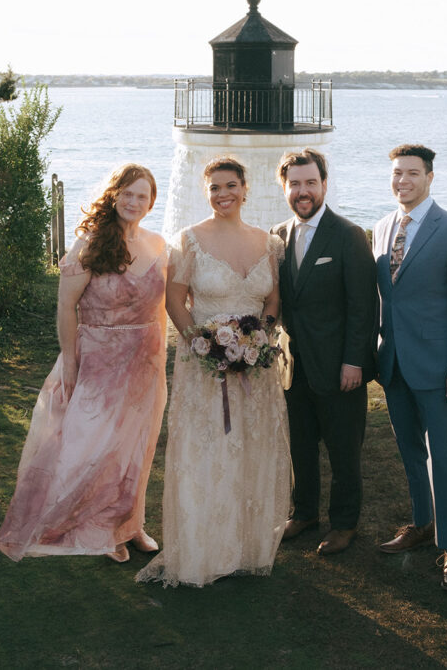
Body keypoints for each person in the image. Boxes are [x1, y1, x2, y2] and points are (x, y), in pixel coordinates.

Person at [0, 164, 168, 564]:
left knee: (137, 448)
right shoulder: (89, 244)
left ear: (151, 202)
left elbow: (158, 305)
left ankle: (132, 524)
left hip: (145, 363)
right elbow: (66, 306)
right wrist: (70, 362)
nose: (134, 202)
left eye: (142, 196)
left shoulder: (157, 244)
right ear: (114, 194)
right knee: (99, 448)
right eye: (127, 193)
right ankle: (104, 531)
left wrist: (160, 358)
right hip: (98, 361)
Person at [136, 157, 291, 587]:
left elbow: (272, 300)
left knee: (251, 447)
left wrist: (260, 336)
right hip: (205, 368)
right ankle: (205, 549)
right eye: (214, 188)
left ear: (245, 188)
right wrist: (205, 345)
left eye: (230, 186)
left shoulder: (268, 242)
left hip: (256, 369)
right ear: (206, 193)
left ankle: (246, 546)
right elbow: (174, 303)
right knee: (209, 450)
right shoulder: (188, 241)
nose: (222, 194)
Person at [372, 144, 447, 591]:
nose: (403, 181)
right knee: (409, 453)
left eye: (412, 174)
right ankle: (421, 524)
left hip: (439, 369)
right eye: (397, 173)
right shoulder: (381, 229)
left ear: (430, 177)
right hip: (394, 365)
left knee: (443, 459)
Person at [271, 148, 378, 556]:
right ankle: (305, 513)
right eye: (295, 184)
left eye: (310, 183)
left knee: (344, 450)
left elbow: (363, 306)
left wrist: (355, 361)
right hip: (292, 367)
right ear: (284, 187)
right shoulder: (277, 236)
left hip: (339, 367)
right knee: (300, 446)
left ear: (324, 185)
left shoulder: (348, 235)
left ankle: (345, 523)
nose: (303, 191)